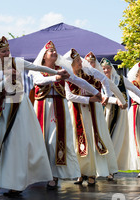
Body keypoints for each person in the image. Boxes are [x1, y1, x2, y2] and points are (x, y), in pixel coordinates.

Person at [0, 36, 69, 197]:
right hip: (6, 108)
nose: (7, 53)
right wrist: (7, 78)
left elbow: (35, 66)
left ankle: (21, 181)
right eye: (3, 51)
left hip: (22, 106)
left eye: (8, 50)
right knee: (9, 145)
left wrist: (57, 72)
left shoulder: (17, 62)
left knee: (23, 142)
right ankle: (11, 182)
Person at [30, 41, 100, 189]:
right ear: (44, 56)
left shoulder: (61, 69)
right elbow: (38, 80)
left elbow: (77, 81)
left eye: (55, 51)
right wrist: (55, 77)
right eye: (51, 51)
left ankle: (54, 176)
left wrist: (96, 92)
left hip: (59, 108)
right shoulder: (37, 69)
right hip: (43, 107)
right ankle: (40, 173)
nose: (55, 53)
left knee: (56, 142)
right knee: (41, 141)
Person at [63, 49, 125, 186]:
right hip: (76, 110)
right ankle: (79, 172)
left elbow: (103, 78)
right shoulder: (66, 76)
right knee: (77, 139)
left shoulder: (89, 71)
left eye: (80, 60)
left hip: (93, 111)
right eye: (78, 61)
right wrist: (89, 100)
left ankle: (92, 173)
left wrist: (107, 95)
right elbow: (69, 96)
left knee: (93, 137)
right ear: (71, 63)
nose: (81, 62)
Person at [100, 57, 140, 171]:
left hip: (120, 113)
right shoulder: (99, 80)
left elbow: (134, 90)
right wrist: (116, 101)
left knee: (117, 139)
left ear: (112, 69)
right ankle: (104, 166)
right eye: (103, 68)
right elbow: (101, 96)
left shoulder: (120, 79)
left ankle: (112, 167)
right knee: (105, 138)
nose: (106, 71)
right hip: (106, 111)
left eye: (108, 68)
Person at [83, 52, 127, 181]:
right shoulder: (79, 75)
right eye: (87, 61)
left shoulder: (99, 76)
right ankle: (84, 171)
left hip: (98, 110)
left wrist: (122, 101)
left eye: (92, 62)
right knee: (84, 138)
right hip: (83, 109)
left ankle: (105, 169)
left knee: (101, 138)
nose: (89, 64)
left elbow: (112, 89)